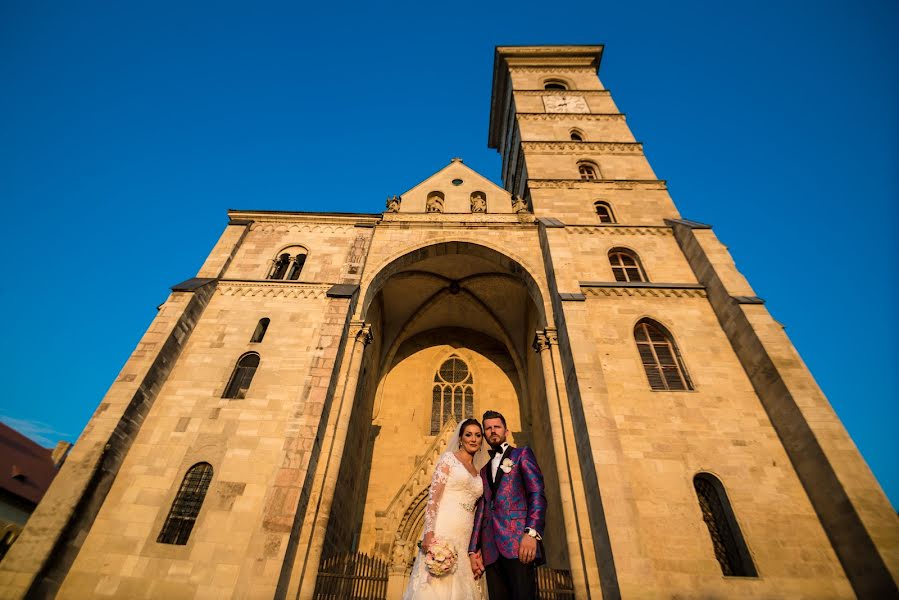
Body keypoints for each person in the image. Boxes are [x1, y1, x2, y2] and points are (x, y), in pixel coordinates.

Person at [403, 419, 490, 600]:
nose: (473, 439)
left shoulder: (479, 471)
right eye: (468, 435)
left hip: (465, 534)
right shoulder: (449, 459)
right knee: (437, 585)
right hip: (445, 527)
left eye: (477, 435)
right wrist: (429, 532)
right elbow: (433, 499)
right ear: (460, 438)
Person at [468, 410, 547, 600]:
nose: (492, 431)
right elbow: (482, 511)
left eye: (497, 427)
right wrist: (473, 549)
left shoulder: (522, 454)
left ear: (506, 431)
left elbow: (536, 493)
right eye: (488, 428)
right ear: (484, 434)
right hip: (491, 550)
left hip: (518, 543)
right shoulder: (484, 470)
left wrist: (531, 533)